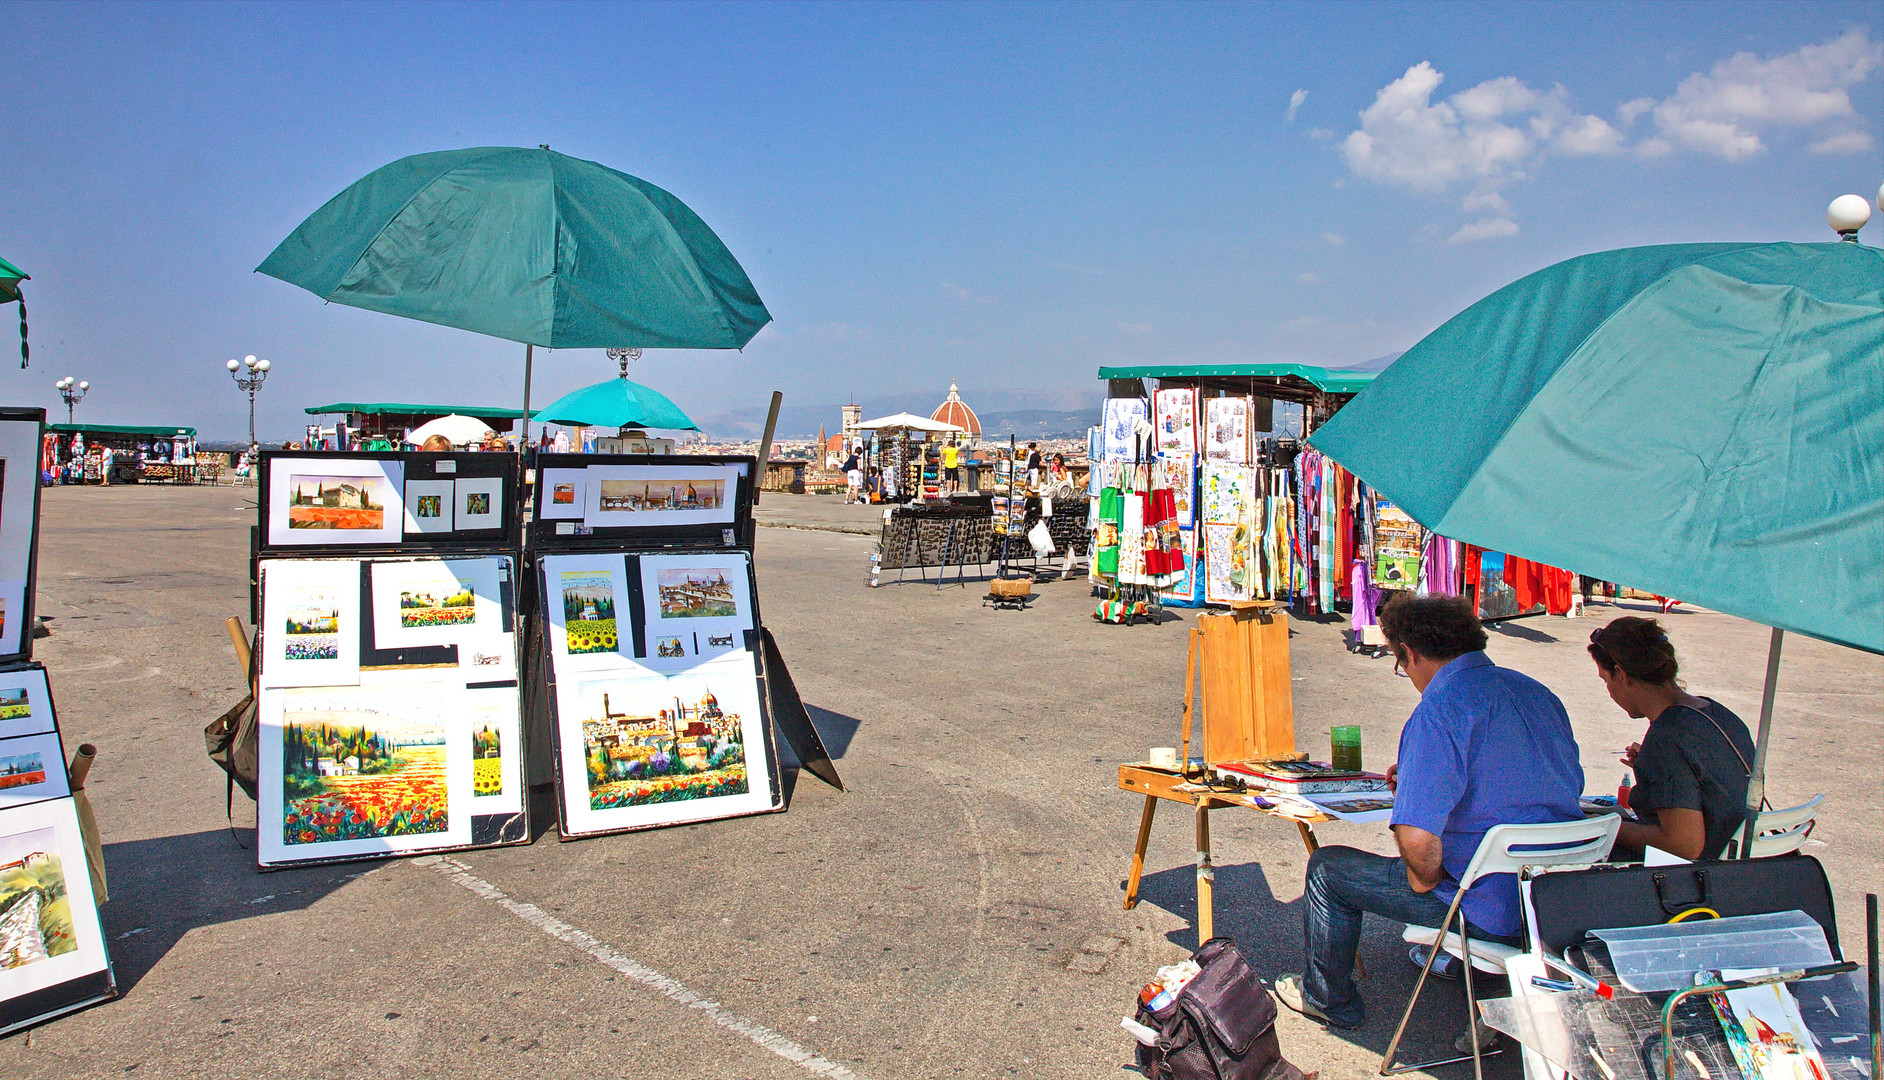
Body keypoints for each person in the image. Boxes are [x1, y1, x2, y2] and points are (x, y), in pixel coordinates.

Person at [1275, 594, 1583, 1029]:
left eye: (1400, 664)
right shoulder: (1537, 693)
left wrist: (1428, 879)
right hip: (1556, 897)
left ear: (1412, 654)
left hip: (1486, 906)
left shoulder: (1439, 711)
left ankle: (1327, 997)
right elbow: (1543, 782)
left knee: (1328, 870)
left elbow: (1419, 849)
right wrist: (1422, 782)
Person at [1590, 617, 1755, 861]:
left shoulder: (1667, 737)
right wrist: (1651, 770)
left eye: (1606, 680)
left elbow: (1683, 845)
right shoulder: (1713, 711)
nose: (1609, 691)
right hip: (1740, 859)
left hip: (1706, 877)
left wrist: (1603, 826)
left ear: (1622, 675)